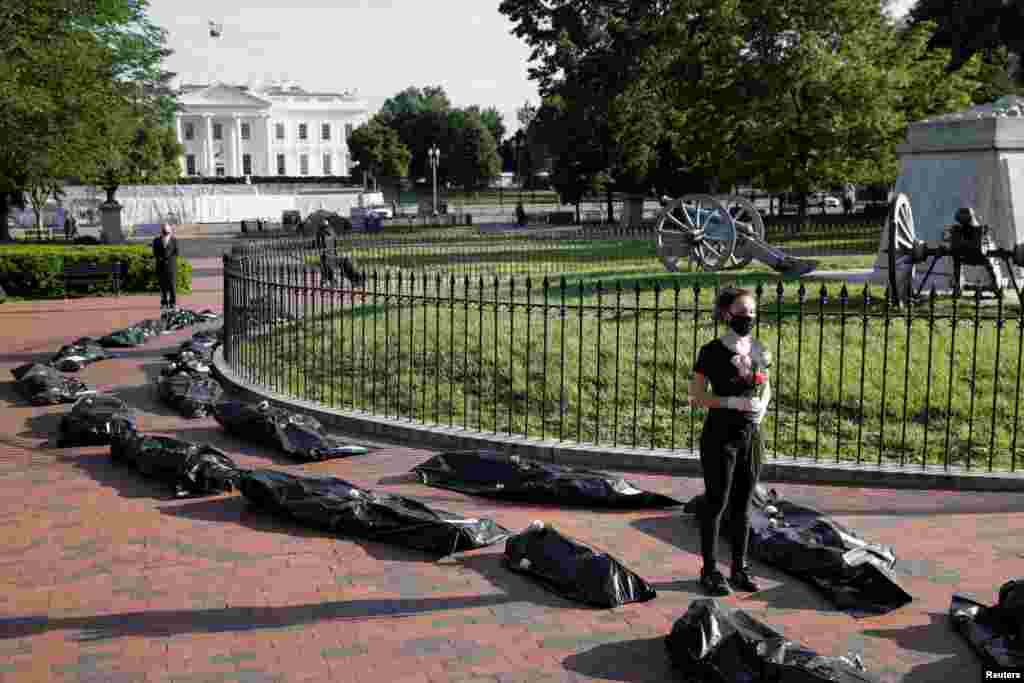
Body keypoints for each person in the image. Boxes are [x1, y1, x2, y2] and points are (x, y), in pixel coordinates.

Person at [688, 288, 772, 596]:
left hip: (751, 434)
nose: (747, 318)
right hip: (720, 435)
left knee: (744, 505)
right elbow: (697, 397)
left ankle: (740, 568)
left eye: (752, 313)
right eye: (741, 312)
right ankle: (710, 570)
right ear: (726, 315)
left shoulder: (760, 350)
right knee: (716, 502)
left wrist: (762, 407)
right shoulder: (711, 351)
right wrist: (731, 403)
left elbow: (767, 387)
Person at [152, 224, 179, 313]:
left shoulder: (174, 240)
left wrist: (170, 260)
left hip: (171, 267)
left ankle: (173, 303)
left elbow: (176, 253)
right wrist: (160, 259)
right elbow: (155, 253)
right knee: (162, 286)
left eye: (167, 231)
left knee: (172, 286)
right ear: (161, 231)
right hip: (160, 266)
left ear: (170, 231)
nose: (166, 233)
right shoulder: (156, 240)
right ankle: (164, 303)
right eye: (164, 231)